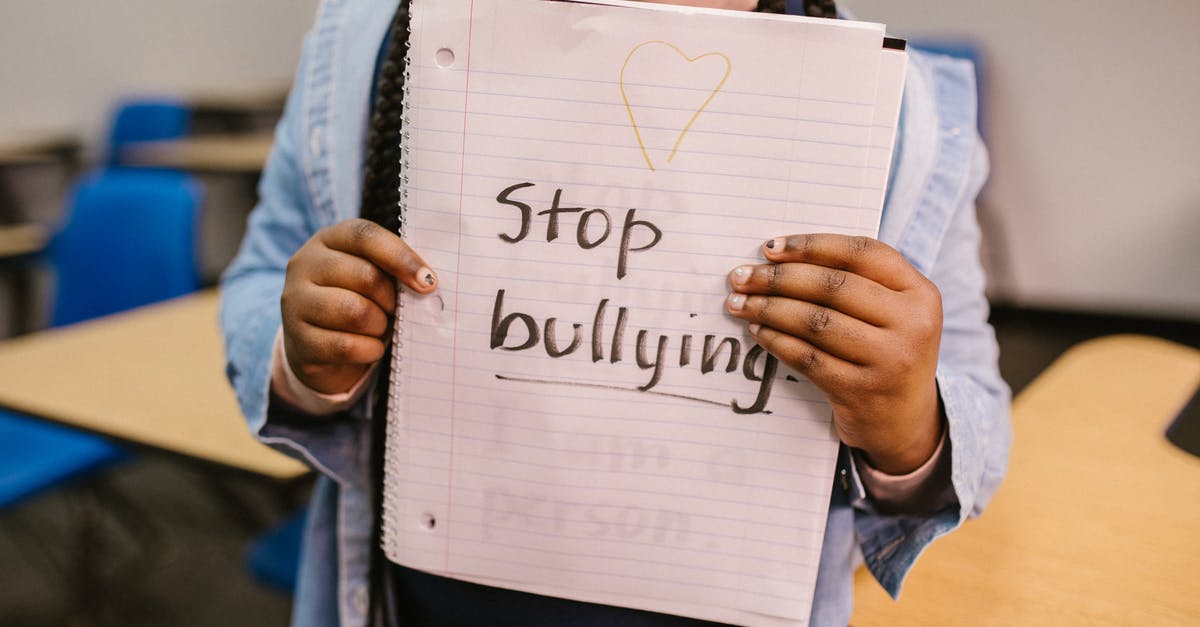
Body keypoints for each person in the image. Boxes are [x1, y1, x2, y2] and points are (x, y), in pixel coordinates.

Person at [219, 0, 1011, 625]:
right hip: (419, 601)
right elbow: (261, 277)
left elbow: (975, 400)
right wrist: (304, 358)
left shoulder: (904, 115)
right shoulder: (364, 48)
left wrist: (909, 423)